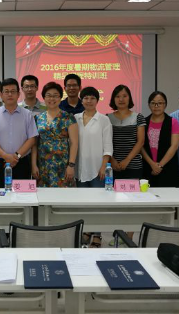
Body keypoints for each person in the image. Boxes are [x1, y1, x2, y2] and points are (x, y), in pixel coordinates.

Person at [75, 86, 113, 248]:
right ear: (81, 100)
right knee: (83, 203)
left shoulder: (103, 119)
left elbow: (108, 146)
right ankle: (87, 230)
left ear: (97, 100)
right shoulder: (75, 118)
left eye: (92, 98)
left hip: (98, 169)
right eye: (85, 98)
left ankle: (97, 235)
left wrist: (104, 166)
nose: (89, 101)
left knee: (98, 204)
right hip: (79, 168)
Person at [0, 78, 38, 188]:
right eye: (6, 91)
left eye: (13, 91)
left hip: (22, 162)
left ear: (18, 94)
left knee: (22, 194)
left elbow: (32, 139)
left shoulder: (27, 114)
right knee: (0, 194)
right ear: (1, 94)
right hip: (0, 162)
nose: (10, 94)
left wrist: (16, 156)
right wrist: (5, 156)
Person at [31, 82, 78, 188]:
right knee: (43, 195)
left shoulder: (68, 117)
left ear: (60, 98)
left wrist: (71, 165)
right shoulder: (38, 118)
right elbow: (34, 144)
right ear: (44, 98)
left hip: (62, 165)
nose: (52, 99)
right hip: (43, 166)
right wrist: (34, 165)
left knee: (63, 196)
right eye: (48, 95)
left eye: (55, 95)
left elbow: (74, 143)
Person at [141, 91, 179, 187]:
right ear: (149, 105)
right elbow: (140, 145)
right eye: (153, 103)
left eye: (160, 103)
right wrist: (152, 164)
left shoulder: (173, 122)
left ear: (165, 105)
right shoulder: (143, 122)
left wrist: (159, 166)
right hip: (148, 167)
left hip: (168, 167)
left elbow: (174, 146)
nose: (156, 106)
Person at [107, 84, 145, 179]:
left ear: (129, 98)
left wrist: (127, 160)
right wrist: (112, 160)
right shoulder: (107, 118)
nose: (121, 99)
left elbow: (141, 141)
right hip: (112, 166)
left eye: (124, 96)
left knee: (133, 189)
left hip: (134, 165)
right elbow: (105, 143)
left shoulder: (138, 117)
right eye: (117, 96)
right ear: (113, 99)